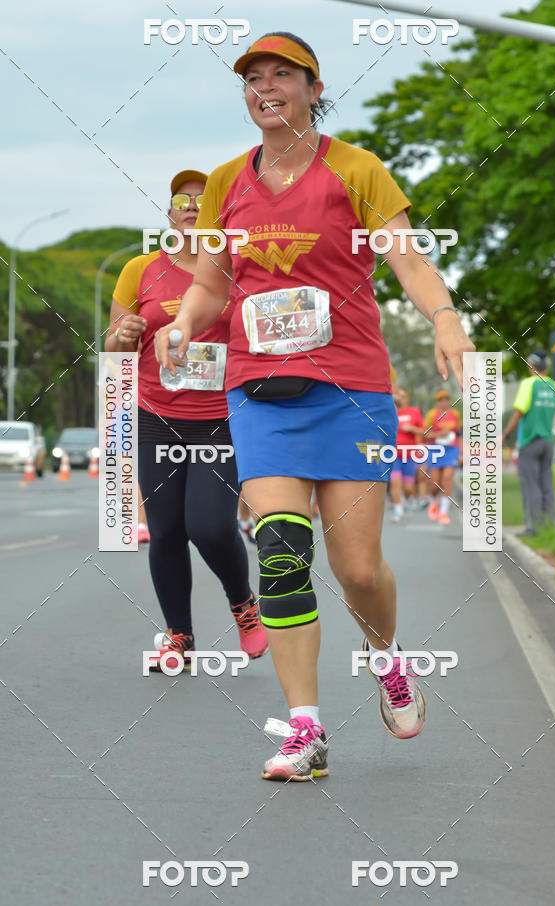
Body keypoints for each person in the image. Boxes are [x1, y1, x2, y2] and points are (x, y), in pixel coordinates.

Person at [155, 33, 474, 780]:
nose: (265, 88)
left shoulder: (356, 169)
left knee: (357, 570)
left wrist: (446, 319)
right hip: (258, 392)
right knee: (281, 551)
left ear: (312, 88)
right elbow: (211, 281)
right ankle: (306, 728)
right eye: (253, 79)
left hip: (350, 390)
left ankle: (387, 657)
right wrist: (184, 322)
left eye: (281, 76)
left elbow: (408, 258)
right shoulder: (227, 181)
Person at [105, 169, 268, 665]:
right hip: (156, 416)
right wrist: (123, 335)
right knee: (167, 531)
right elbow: (114, 348)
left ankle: (243, 604)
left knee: (210, 527)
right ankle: (180, 634)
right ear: (169, 212)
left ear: (219, 211)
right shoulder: (140, 269)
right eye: (182, 199)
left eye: (203, 199)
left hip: (221, 417)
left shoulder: (236, 265)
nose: (192, 206)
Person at [502, 350, 555, 536]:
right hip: (548, 443)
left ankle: (533, 527)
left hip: (530, 441)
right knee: (546, 485)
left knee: (530, 484)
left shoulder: (528, 384)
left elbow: (518, 413)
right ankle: (551, 525)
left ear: (532, 365)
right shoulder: (554, 386)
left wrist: (505, 434)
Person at [424, 390, 462, 526]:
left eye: (446, 399)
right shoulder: (432, 415)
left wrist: (461, 452)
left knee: (447, 478)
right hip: (436, 450)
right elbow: (425, 435)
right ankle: (434, 502)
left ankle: (443, 512)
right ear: (437, 402)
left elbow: (459, 434)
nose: (444, 402)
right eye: (441, 400)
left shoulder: (455, 415)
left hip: (452, 450)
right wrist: (440, 434)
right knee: (435, 484)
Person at [389, 387, 424, 522]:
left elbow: (424, 432)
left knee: (408, 488)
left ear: (407, 399)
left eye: (403, 396)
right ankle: (398, 511)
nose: (401, 399)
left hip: (409, 455)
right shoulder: (390, 412)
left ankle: (406, 502)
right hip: (393, 454)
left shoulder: (414, 412)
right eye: (398, 396)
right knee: (395, 483)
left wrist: (412, 428)